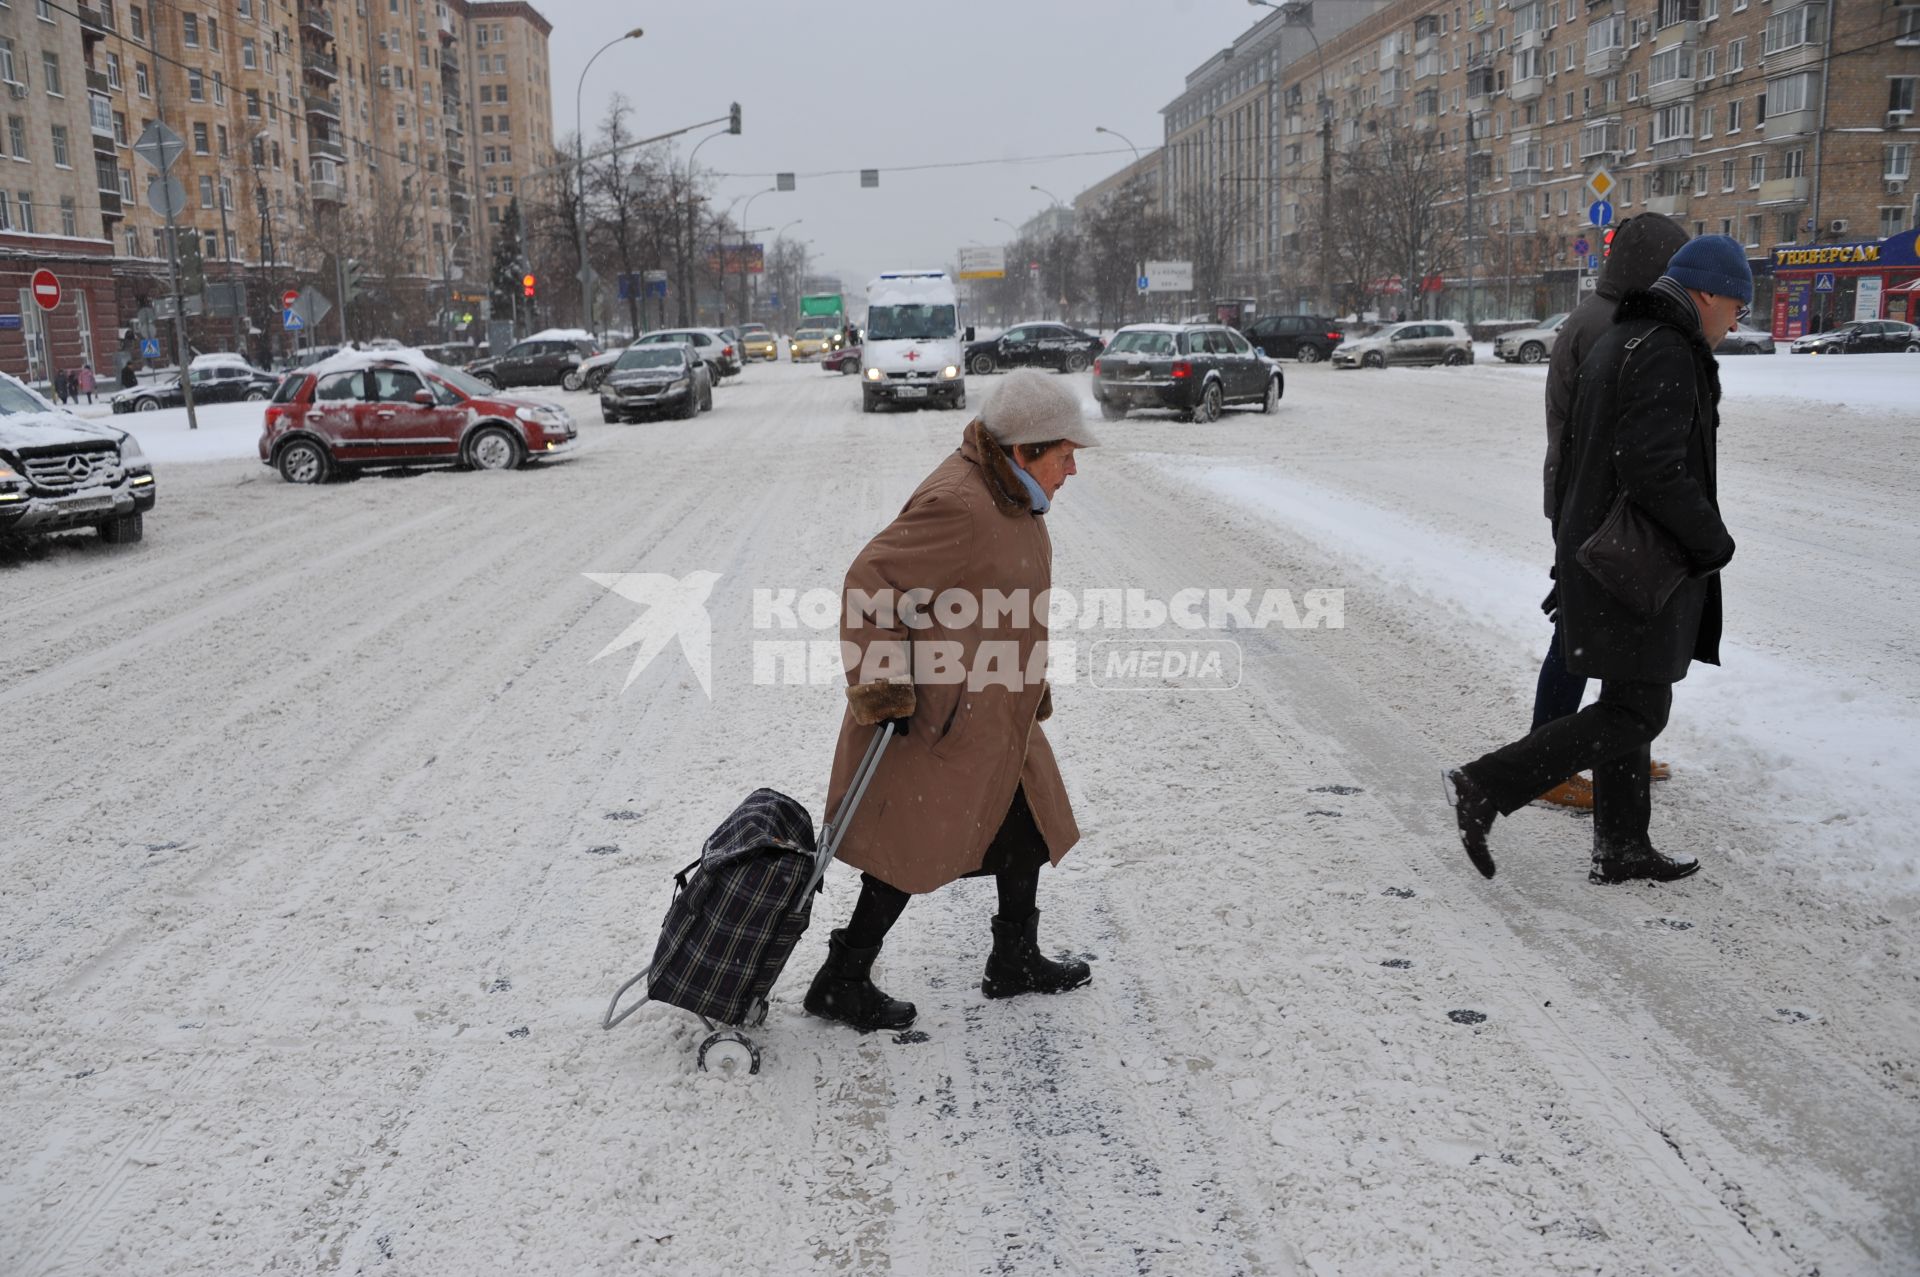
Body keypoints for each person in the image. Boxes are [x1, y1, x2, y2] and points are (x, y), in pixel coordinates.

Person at [1444, 235, 1750, 886]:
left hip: (1599, 549)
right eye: (1737, 307)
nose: (1736, 322)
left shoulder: (1624, 335)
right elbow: (1652, 467)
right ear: (1707, 293)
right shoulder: (1667, 349)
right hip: (1633, 558)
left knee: (1628, 693)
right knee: (1640, 710)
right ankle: (1485, 782)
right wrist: (1711, 540)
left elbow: (1585, 452)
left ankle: (1621, 843)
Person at [805, 370, 1098, 1032]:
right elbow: (870, 584)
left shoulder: (1010, 498)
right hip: (942, 721)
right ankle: (841, 978)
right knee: (912, 845)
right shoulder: (961, 503)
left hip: (999, 709)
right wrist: (886, 689)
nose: (1073, 468)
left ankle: (1015, 956)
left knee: (1026, 825)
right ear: (1025, 450)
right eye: (1065, 453)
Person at [1534, 213, 1690, 810]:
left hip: (1586, 500)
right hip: (1594, 505)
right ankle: (1549, 762)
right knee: (1579, 632)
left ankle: (1616, 747)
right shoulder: (1614, 324)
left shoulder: (1604, 315)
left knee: (1619, 632)